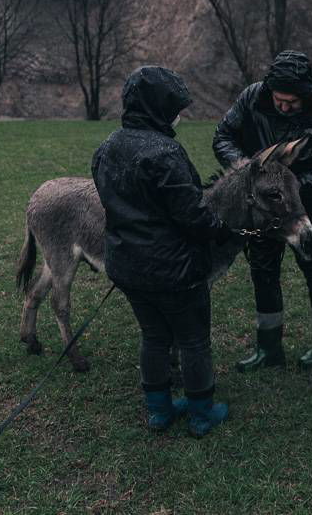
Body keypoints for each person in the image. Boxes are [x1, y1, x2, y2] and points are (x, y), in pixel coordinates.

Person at [92, 66, 232, 437]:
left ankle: (159, 409)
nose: (179, 114)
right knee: (192, 339)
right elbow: (193, 214)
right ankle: (203, 412)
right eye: (174, 106)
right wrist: (222, 229)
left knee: (153, 336)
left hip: (126, 267)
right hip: (175, 272)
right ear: (158, 107)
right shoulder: (166, 153)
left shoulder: (107, 147)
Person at [213, 50, 312, 371]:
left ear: (307, 93)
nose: (285, 106)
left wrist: (293, 183)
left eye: (292, 102)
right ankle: (268, 349)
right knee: (262, 273)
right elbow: (222, 137)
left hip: (306, 208)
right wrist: (250, 171)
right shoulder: (251, 98)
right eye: (279, 100)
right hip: (261, 209)